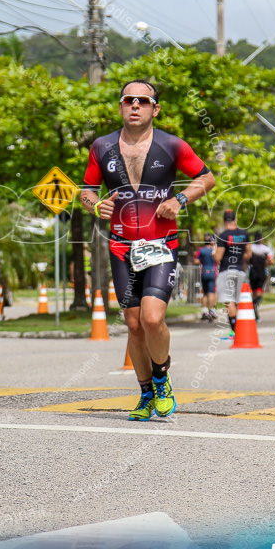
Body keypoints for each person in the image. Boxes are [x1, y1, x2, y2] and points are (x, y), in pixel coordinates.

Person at [80, 79, 215, 422]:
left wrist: (181, 198)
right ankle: (145, 394)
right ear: (121, 106)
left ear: (155, 108)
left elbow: (207, 178)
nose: (135, 105)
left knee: (153, 318)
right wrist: (96, 207)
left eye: (143, 100)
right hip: (121, 246)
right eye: (128, 100)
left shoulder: (172, 145)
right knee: (134, 325)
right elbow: (86, 190)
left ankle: (161, 377)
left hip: (161, 245)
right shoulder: (102, 146)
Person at [214, 209, 251, 337]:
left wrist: (214, 253)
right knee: (239, 300)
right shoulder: (244, 234)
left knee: (229, 301)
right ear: (235, 219)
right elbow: (248, 253)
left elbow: (218, 257)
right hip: (240, 271)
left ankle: (235, 331)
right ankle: (243, 328)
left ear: (224, 221)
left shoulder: (223, 236)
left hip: (227, 271)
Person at [247, 232, 273, 320]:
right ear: (261, 238)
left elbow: (247, 258)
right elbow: (271, 261)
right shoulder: (265, 249)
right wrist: (264, 263)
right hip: (261, 271)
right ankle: (255, 304)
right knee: (259, 291)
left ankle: (255, 309)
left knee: (254, 291)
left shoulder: (250, 247)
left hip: (252, 272)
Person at [194, 238, 217, 321]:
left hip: (204, 272)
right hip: (212, 272)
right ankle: (211, 311)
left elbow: (196, 260)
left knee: (204, 293)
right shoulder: (214, 250)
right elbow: (218, 259)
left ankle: (204, 311)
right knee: (211, 293)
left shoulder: (201, 250)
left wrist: (202, 261)